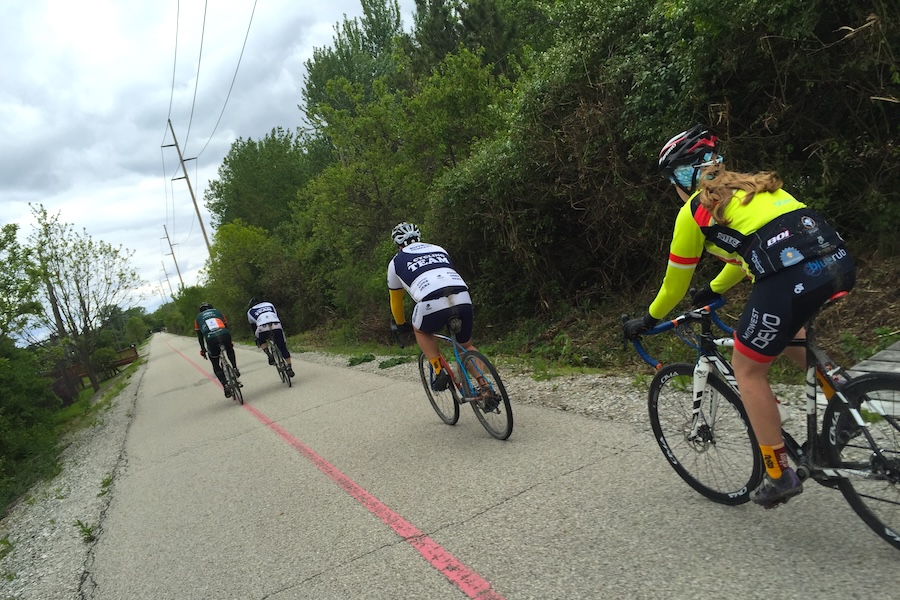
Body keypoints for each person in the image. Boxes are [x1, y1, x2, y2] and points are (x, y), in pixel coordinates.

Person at [622, 125, 856, 508]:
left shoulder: (694, 210)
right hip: (837, 262)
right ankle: (845, 395)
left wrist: (647, 321)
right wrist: (714, 289)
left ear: (685, 176)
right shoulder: (757, 185)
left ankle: (778, 473)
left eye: (675, 178)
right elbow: (747, 255)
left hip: (791, 276)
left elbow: (673, 288)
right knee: (791, 333)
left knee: (746, 368)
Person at [387, 222, 491, 400]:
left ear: (398, 243)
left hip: (430, 302)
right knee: (466, 345)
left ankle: (438, 369)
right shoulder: (439, 249)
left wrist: (400, 324)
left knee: (420, 329)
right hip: (462, 296)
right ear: (418, 237)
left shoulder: (396, 262)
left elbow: (396, 301)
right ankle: (486, 387)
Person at [195, 302, 241, 397]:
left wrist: (203, 350)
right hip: (224, 334)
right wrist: (230, 342)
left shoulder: (197, 319)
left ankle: (225, 385)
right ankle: (235, 367)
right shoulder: (218, 312)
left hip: (211, 338)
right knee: (229, 349)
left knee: (215, 363)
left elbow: (200, 337)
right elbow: (226, 327)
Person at [247, 298, 295, 378]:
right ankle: (289, 366)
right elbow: (275, 315)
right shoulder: (269, 304)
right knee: (283, 347)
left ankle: (269, 354)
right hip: (276, 325)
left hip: (263, 327)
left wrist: (257, 337)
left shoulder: (250, 311)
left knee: (259, 339)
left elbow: (254, 327)